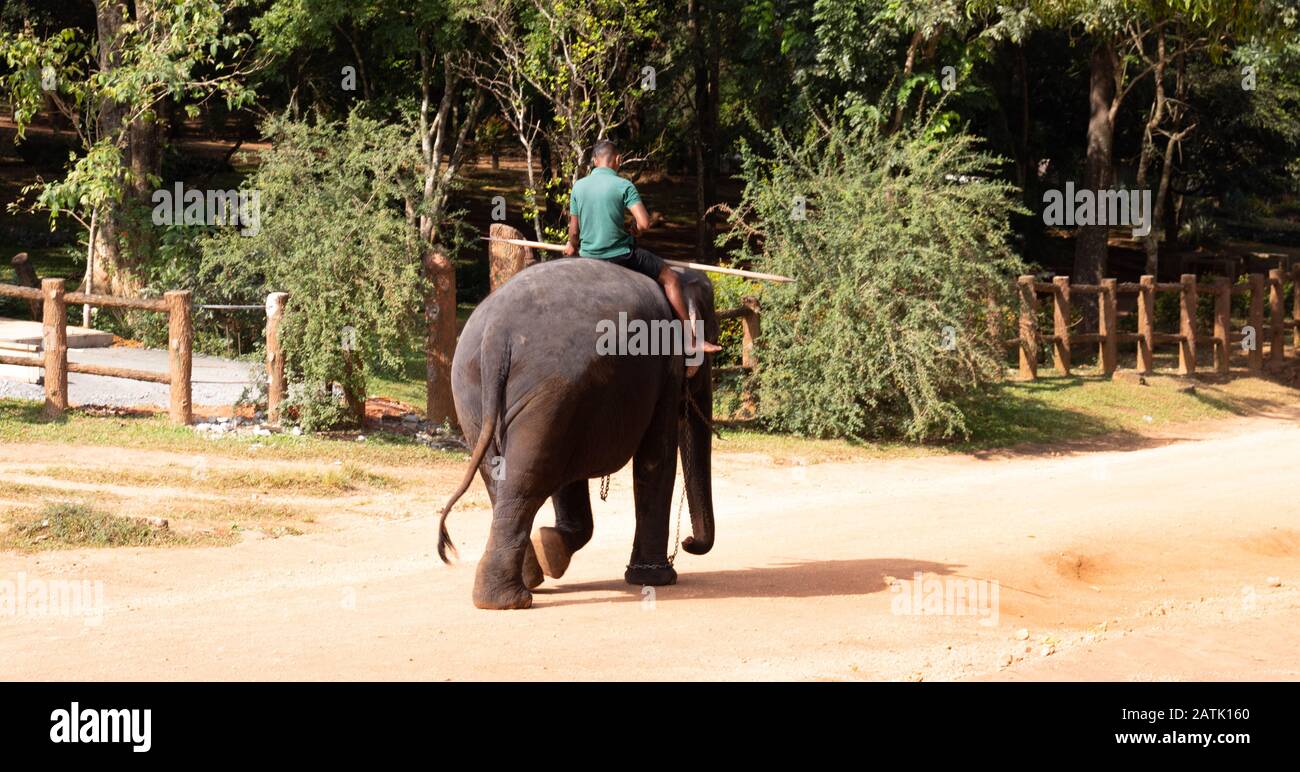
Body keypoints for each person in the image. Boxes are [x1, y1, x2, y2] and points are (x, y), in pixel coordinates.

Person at [565, 139, 721, 374]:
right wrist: (635, 230)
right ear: (618, 160)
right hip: (620, 255)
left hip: (588, 257)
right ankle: (691, 341)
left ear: (595, 161)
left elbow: (574, 230)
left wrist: (571, 245)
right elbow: (644, 223)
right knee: (671, 279)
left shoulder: (579, 186)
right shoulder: (623, 185)